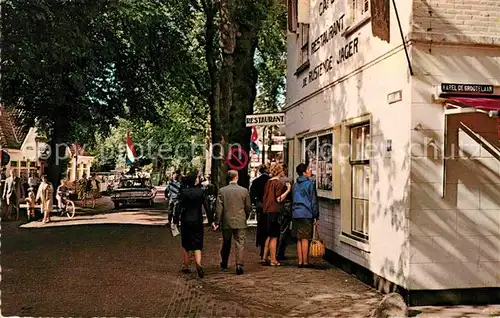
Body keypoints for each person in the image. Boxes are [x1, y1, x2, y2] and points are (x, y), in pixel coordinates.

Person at [214, 170, 251, 275]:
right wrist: (245, 217)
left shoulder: (222, 191)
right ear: (236, 177)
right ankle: (239, 265)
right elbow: (248, 207)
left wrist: (217, 220)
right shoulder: (244, 191)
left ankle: (224, 262)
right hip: (240, 220)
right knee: (240, 243)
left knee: (226, 242)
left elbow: (219, 208)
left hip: (227, 220)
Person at [177, 174, 210, 278]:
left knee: (186, 243)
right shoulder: (200, 192)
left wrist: (175, 219)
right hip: (197, 220)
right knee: (197, 242)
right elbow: (207, 206)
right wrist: (211, 220)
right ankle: (198, 264)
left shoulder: (183, 192)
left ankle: (186, 265)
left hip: (185, 220)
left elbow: (178, 207)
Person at [262, 163, 291, 266]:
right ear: (279, 171)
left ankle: (265, 257)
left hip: (267, 210)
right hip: (275, 211)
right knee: (274, 236)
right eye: (282, 170)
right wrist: (287, 190)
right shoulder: (278, 183)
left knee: (269, 235)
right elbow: (279, 199)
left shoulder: (268, 182)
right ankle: (273, 259)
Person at [292, 163, 319, 268]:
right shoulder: (309, 184)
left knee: (299, 238)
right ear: (304, 172)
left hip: (296, 213)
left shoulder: (295, 185)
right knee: (305, 238)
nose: (310, 171)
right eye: (308, 169)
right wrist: (316, 216)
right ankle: (305, 261)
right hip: (306, 213)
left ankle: (299, 261)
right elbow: (313, 201)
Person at [249, 164, 270, 262]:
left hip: (260, 207)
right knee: (269, 229)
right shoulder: (270, 181)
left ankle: (262, 249)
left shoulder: (256, 181)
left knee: (261, 227)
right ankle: (267, 251)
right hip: (269, 207)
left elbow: (252, 194)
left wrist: (255, 203)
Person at [277, 164, 293, 261]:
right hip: (286, 207)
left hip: (276, 208)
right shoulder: (288, 181)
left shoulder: (274, 181)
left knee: (276, 230)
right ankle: (280, 252)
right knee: (284, 231)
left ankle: (272, 251)